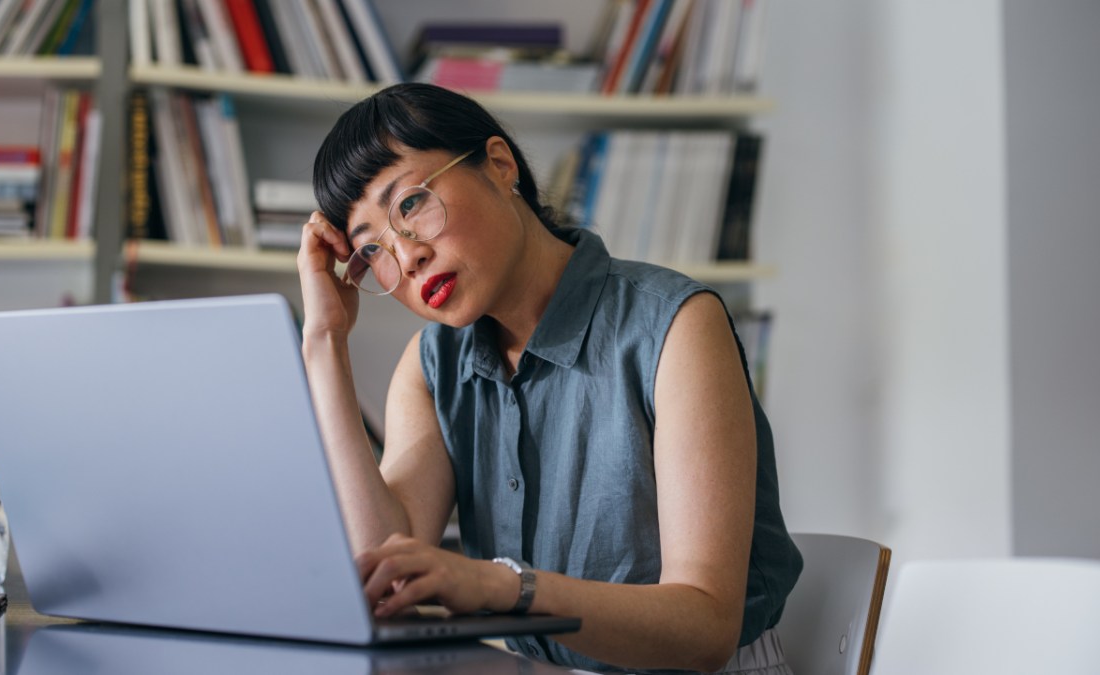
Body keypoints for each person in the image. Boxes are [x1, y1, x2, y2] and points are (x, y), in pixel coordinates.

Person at [298, 83, 802, 674]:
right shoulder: (433, 364)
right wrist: (324, 343)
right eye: (371, 251)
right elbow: (380, 566)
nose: (405, 257)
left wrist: (502, 586)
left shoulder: (675, 326)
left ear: (499, 165)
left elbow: (706, 628)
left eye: (409, 205)